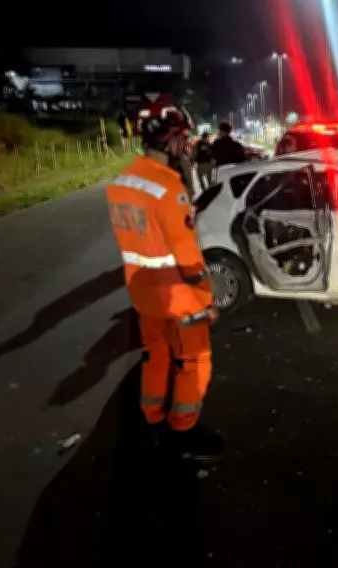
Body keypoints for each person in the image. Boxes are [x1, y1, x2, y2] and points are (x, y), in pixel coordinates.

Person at [106, 105, 222, 462]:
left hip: (143, 295)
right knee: (193, 361)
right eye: (182, 137)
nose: (185, 144)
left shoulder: (121, 182)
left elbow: (147, 236)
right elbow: (187, 257)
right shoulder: (170, 189)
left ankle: (151, 419)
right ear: (171, 140)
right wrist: (206, 300)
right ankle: (183, 431)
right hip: (180, 300)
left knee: (155, 358)